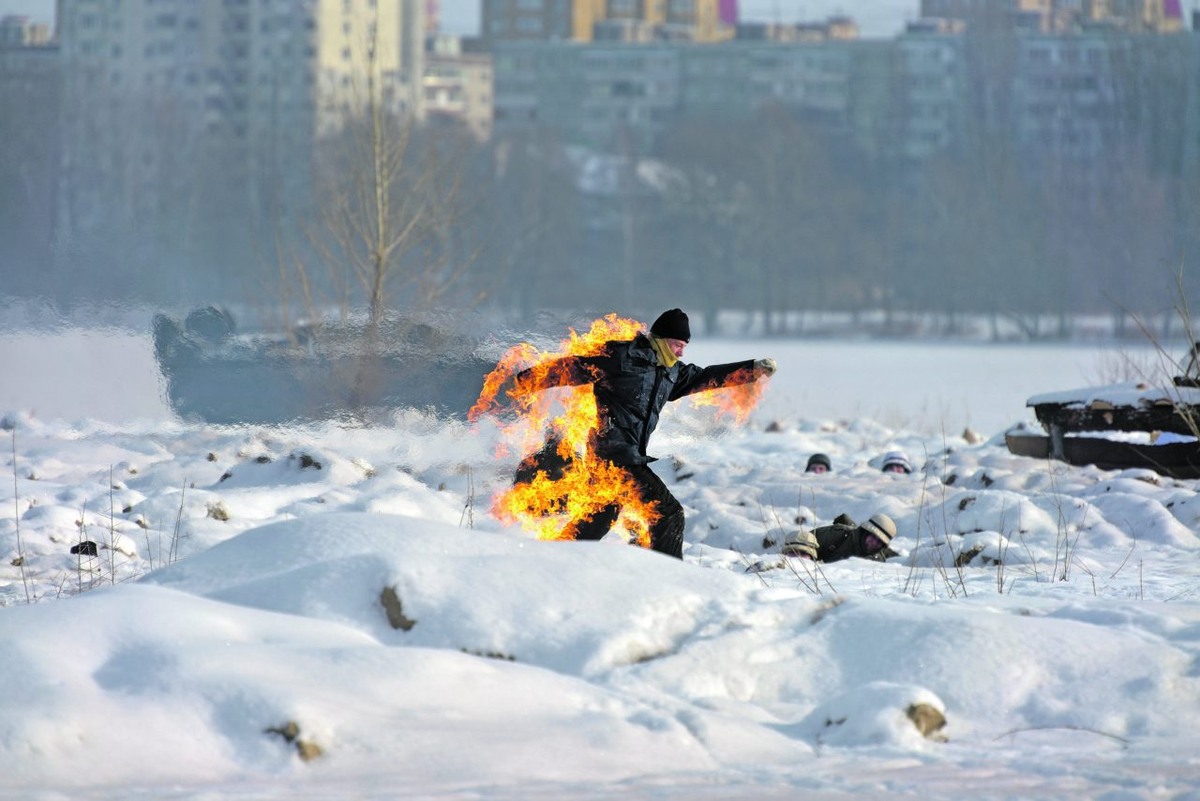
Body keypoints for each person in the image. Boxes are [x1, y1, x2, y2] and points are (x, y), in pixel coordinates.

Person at [512, 308, 776, 559]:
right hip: (614, 455)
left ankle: (550, 559)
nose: (681, 351)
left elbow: (708, 376)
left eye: (685, 346)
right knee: (668, 514)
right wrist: (528, 379)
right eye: (677, 344)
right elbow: (574, 367)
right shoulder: (621, 357)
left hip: (624, 457)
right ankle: (668, 574)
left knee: (600, 518)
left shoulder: (671, 373)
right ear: (661, 340)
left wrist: (752, 369)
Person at [810, 512, 898, 563]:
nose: (874, 543)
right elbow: (801, 543)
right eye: (873, 537)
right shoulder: (837, 535)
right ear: (865, 531)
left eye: (879, 542)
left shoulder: (878, 561)